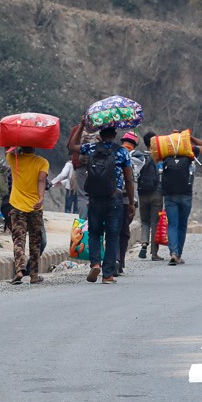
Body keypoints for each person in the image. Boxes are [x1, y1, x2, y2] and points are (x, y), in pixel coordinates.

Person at [68, 121, 134, 284]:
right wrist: (131, 202)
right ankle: (107, 275)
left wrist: (82, 126)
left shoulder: (91, 149)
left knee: (95, 233)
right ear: (114, 135)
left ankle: (95, 263)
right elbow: (129, 179)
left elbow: (72, 146)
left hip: (95, 198)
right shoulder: (122, 152)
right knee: (112, 236)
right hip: (114, 198)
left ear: (100, 135)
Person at [6, 146, 49, 284]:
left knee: (19, 240)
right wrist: (41, 197)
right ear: (35, 147)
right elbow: (41, 180)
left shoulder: (14, 159)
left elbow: (7, 148)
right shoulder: (43, 162)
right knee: (35, 242)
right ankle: (34, 276)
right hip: (35, 207)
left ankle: (19, 270)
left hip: (17, 206)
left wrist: (16, 142)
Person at [160, 133, 202, 265]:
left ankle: (173, 252)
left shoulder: (166, 155)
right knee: (182, 225)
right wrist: (191, 138)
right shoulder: (190, 154)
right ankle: (178, 254)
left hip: (170, 195)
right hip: (185, 195)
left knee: (172, 224)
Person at [116, 133, 147, 274]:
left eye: (128, 143)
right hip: (124, 199)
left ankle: (118, 261)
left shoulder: (138, 157)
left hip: (127, 199)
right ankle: (117, 261)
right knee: (121, 231)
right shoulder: (117, 153)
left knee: (122, 231)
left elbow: (133, 166)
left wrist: (123, 152)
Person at [137, 132, 164, 261]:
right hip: (157, 193)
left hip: (142, 193)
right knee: (155, 222)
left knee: (144, 221)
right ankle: (154, 253)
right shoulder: (159, 157)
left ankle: (143, 244)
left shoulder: (140, 156)